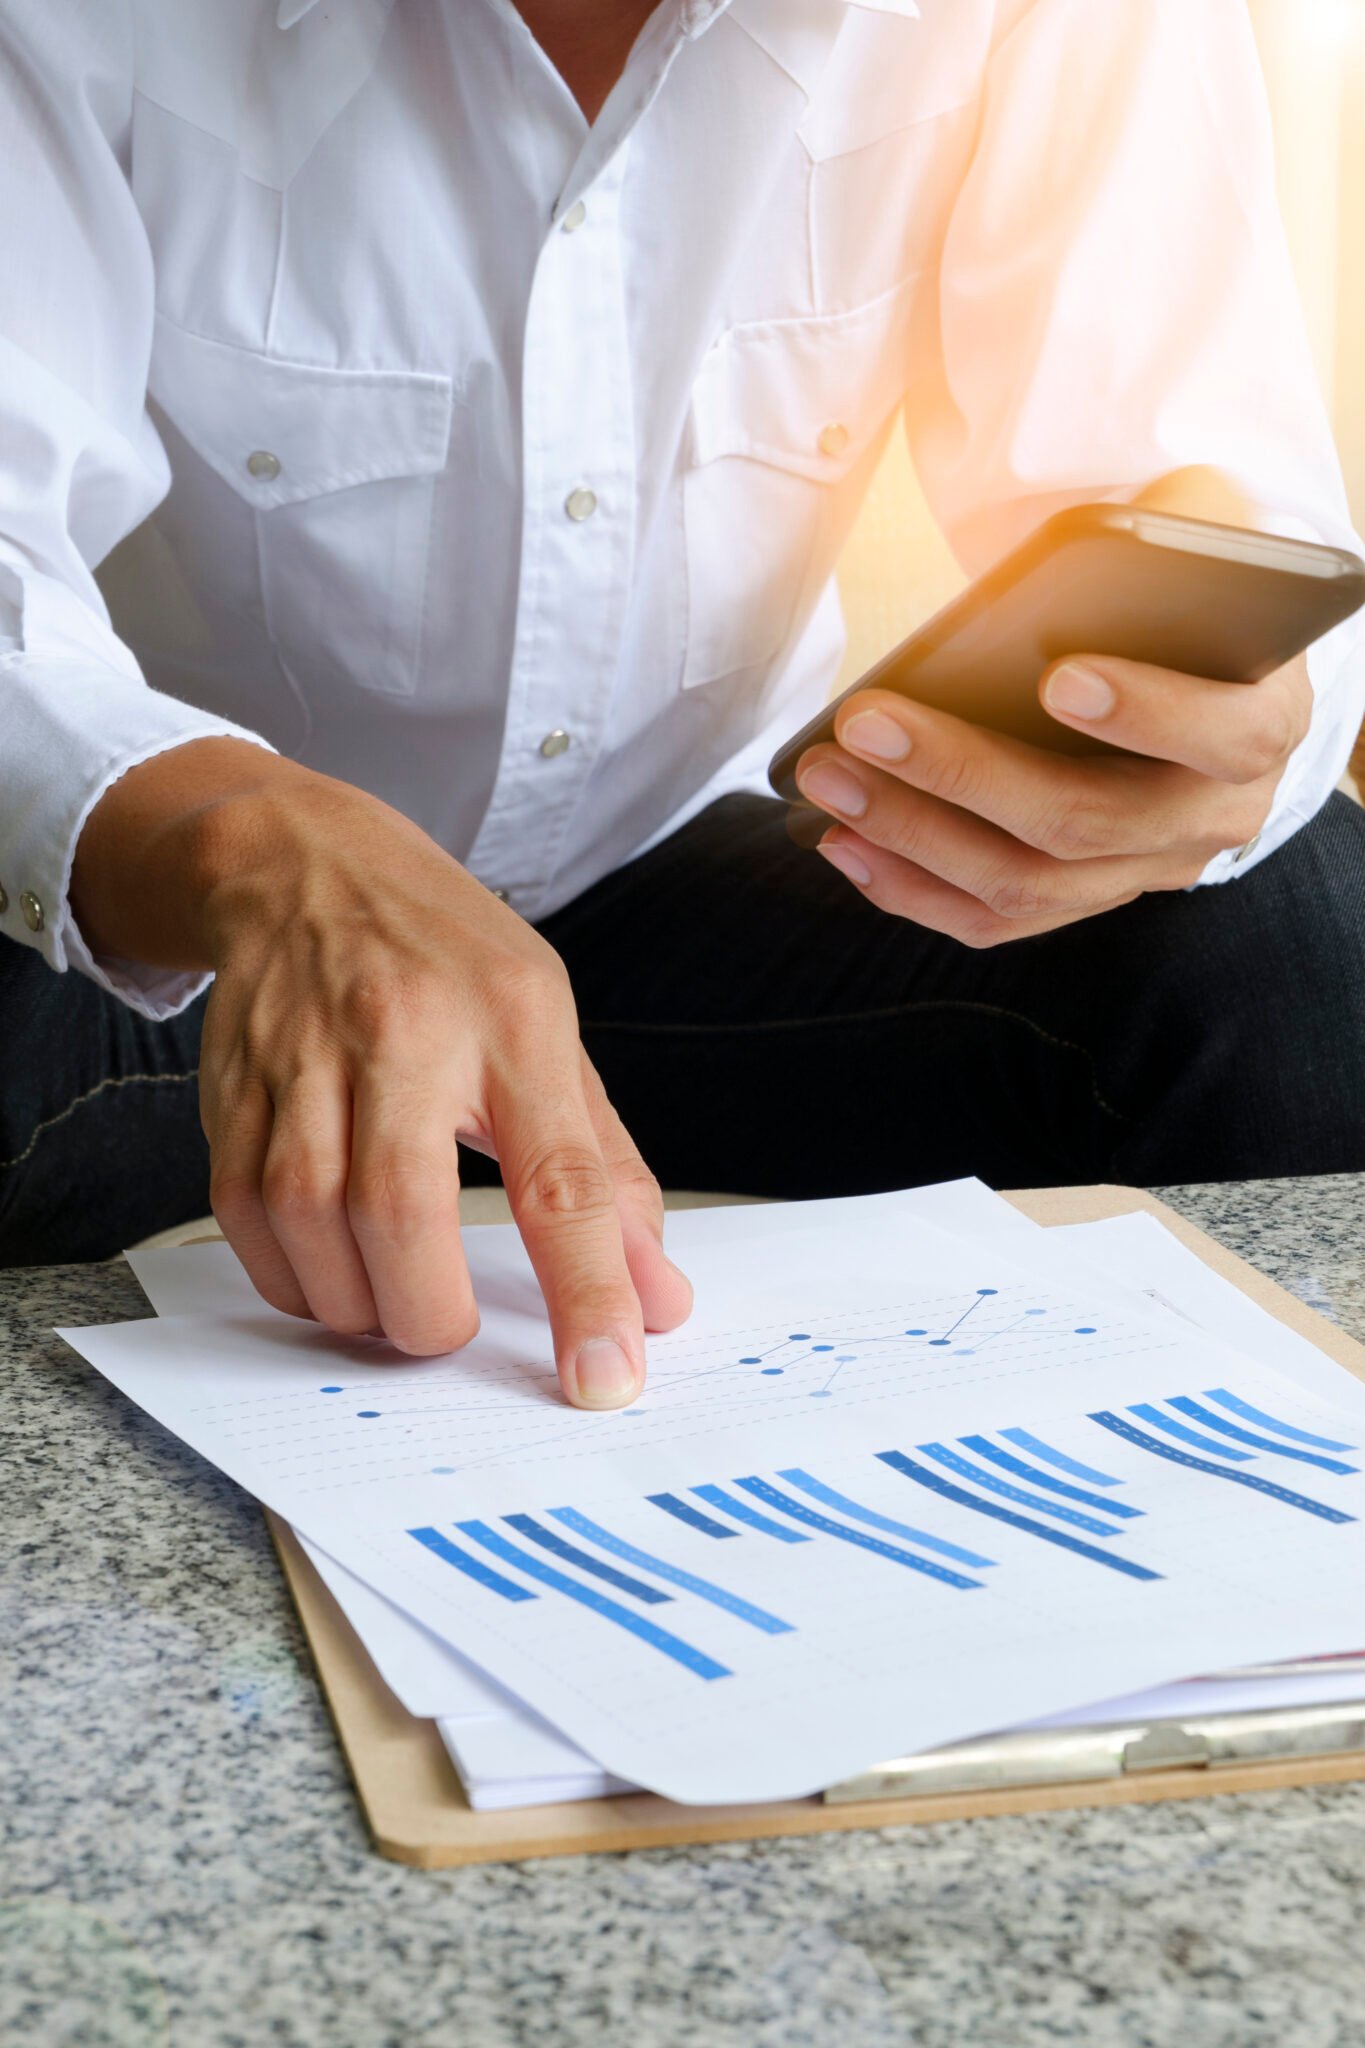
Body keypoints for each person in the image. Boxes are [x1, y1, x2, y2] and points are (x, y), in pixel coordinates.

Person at [2, 0, 1363, 1411]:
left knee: (1297, 937)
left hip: (699, 871)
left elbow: (1198, 487)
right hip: (184, 927)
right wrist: (252, 843)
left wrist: (1215, 740)